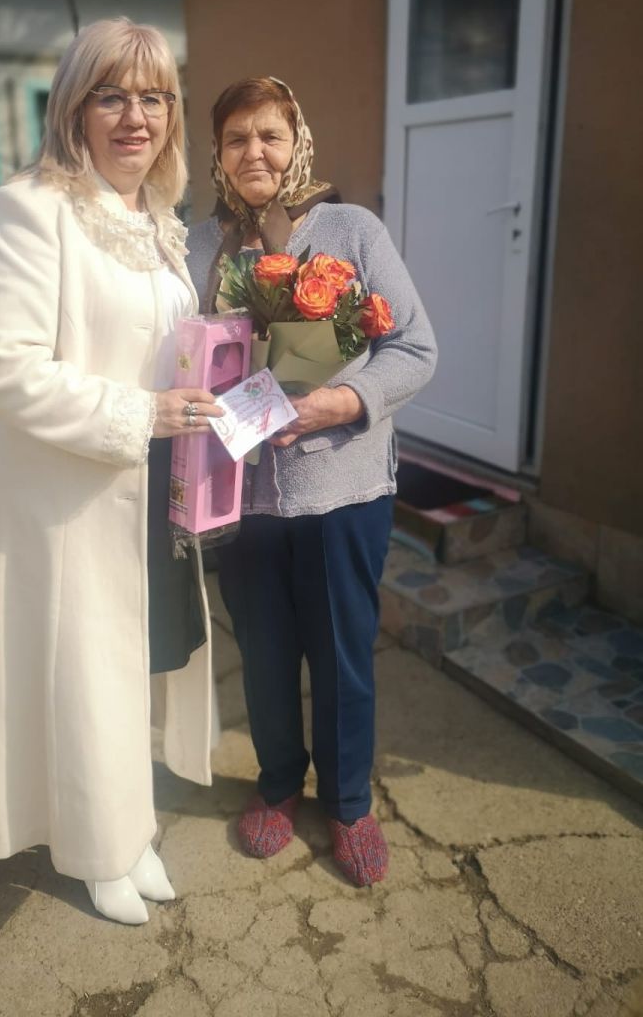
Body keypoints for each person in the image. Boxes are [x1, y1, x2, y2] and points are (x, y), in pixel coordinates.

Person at [0, 18, 223, 925]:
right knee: (81, 671)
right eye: (111, 95)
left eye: (154, 97)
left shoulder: (154, 220)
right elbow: (4, 367)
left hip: (150, 485)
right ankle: (96, 848)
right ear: (74, 107)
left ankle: (129, 825)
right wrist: (141, 415)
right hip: (69, 492)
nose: (135, 117)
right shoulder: (27, 210)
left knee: (133, 662)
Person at [187, 76, 437, 886]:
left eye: (270, 134)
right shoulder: (199, 246)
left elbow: (414, 348)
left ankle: (349, 803)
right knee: (263, 651)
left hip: (344, 489)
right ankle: (276, 786)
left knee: (340, 654)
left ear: (297, 140)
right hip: (241, 495)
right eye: (236, 139)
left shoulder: (351, 231)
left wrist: (341, 401)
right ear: (217, 154)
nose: (254, 152)